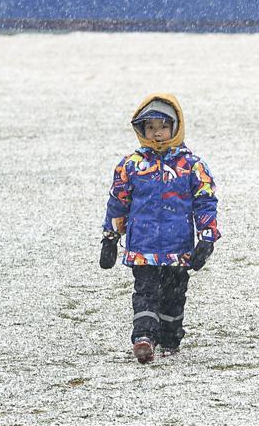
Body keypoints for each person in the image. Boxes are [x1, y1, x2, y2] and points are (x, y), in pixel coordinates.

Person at [101, 93, 220, 363]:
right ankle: (143, 337)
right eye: (151, 127)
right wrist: (109, 237)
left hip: (177, 249)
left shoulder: (192, 166)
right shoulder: (131, 165)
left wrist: (207, 238)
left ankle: (170, 337)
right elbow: (118, 202)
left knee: (173, 296)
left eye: (163, 127)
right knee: (145, 293)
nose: (157, 134)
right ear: (141, 130)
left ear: (176, 127)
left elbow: (205, 201)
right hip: (143, 248)